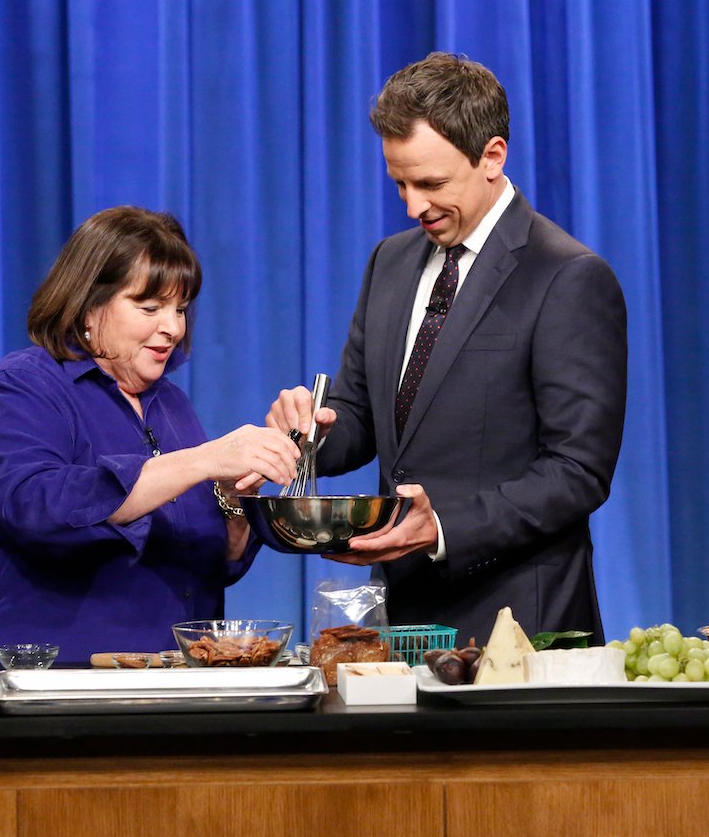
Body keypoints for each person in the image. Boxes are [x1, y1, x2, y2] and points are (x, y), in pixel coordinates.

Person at [260, 53, 627, 646]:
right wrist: (310, 434)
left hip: (518, 627)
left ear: (492, 157)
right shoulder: (390, 262)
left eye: (431, 184)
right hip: (398, 618)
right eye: (399, 183)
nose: (412, 206)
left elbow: (578, 471)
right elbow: (364, 417)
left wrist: (442, 527)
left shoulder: (567, 277)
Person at [0, 206, 300, 667]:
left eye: (181, 309)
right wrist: (204, 460)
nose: (172, 327)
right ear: (89, 305)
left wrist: (231, 500)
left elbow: (212, 563)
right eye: (149, 307)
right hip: (38, 678)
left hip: (159, 684)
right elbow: (38, 508)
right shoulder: (26, 383)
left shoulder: (171, 404)